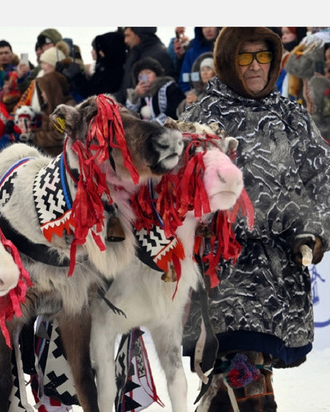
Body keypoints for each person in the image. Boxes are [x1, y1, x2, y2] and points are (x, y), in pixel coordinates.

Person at [180, 27, 330, 410]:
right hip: (222, 267)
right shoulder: (202, 115)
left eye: (263, 56)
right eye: (245, 57)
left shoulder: (290, 115)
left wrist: (314, 231)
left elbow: (320, 178)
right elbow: (176, 184)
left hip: (278, 268)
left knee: (246, 373)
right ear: (229, 60)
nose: (255, 66)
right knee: (241, 368)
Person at [19, 70, 76, 157]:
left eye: (43, 91)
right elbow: (46, 130)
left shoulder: (67, 108)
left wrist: (34, 136)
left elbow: (59, 136)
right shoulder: (49, 107)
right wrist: (31, 131)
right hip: (49, 155)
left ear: (52, 90)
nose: (41, 95)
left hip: (63, 158)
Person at [115, 27, 177, 104]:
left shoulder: (159, 55)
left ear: (139, 34)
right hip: (132, 105)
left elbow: (166, 87)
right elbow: (126, 85)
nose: (125, 40)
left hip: (151, 110)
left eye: (128, 35)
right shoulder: (133, 55)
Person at [125, 56, 185, 125]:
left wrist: (155, 124)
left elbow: (175, 108)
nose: (145, 77)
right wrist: (135, 96)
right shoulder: (140, 95)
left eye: (148, 73)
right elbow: (130, 117)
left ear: (157, 74)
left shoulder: (169, 87)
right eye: (141, 75)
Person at [177, 27, 220, 93]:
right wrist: (191, 95)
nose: (208, 30)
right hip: (198, 98)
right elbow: (184, 82)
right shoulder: (192, 53)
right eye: (204, 27)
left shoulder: (228, 50)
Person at [176, 52, 215, 117]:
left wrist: (197, 103)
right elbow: (179, 113)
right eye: (202, 70)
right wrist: (186, 104)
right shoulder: (195, 92)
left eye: (208, 69)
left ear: (215, 72)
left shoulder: (220, 92)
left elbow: (215, 114)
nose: (204, 73)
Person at [277, 27, 308, 99]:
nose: (284, 37)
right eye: (283, 34)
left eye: (288, 33)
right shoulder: (285, 56)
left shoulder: (300, 56)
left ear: (297, 34)